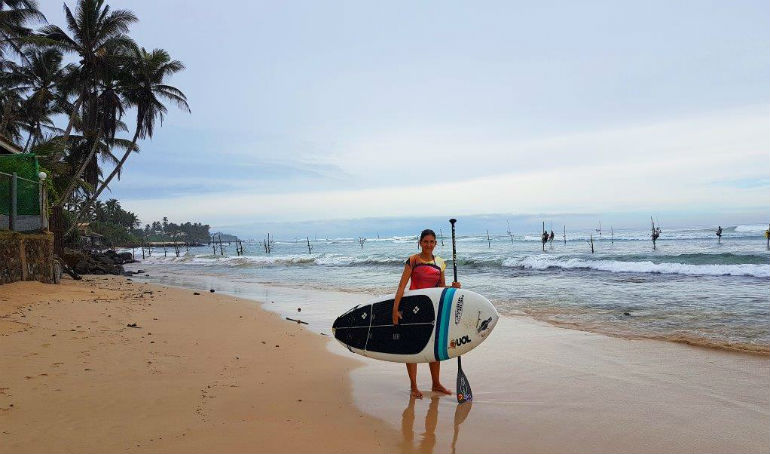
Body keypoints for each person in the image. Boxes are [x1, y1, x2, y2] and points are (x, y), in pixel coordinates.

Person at [393, 229, 461, 399]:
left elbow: (440, 288)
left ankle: (436, 383)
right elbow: (402, 286)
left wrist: (452, 288)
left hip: (433, 308)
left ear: (435, 244)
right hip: (413, 307)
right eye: (425, 241)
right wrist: (395, 309)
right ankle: (414, 386)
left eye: (432, 242)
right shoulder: (413, 260)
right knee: (412, 346)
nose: (428, 245)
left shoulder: (440, 263)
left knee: (434, 345)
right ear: (420, 242)